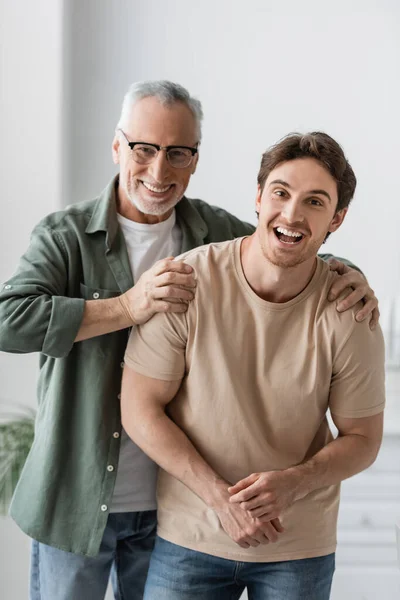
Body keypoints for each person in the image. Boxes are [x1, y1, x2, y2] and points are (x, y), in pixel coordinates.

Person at [0, 79, 377, 600]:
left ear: (195, 159)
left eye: (178, 153)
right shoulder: (65, 236)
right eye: (144, 149)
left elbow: (287, 240)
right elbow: (8, 320)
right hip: (78, 496)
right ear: (117, 147)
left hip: (167, 506)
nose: (159, 171)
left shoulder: (211, 231)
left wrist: (351, 273)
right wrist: (127, 306)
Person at [121, 131, 385, 600]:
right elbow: (139, 408)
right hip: (191, 537)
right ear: (259, 198)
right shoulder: (186, 283)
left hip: (298, 547)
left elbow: (363, 440)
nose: (292, 214)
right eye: (281, 193)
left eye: (315, 202)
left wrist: (295, 482)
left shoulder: (350, 311)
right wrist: (220, 499)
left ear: (337, 219)